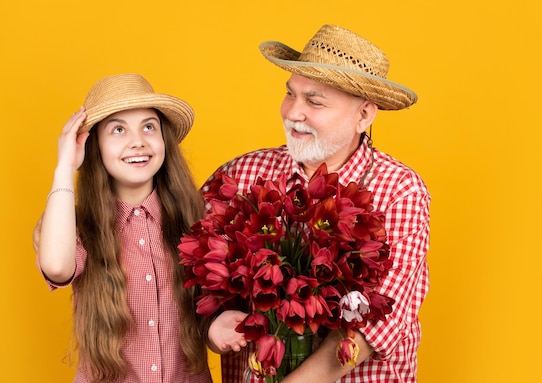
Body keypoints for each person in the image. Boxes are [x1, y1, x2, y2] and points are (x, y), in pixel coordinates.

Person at [207, 24, 431, 382]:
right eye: (290, 94)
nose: (293, 112)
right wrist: (210, 327)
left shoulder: (399, 190)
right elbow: (188, 279)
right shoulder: (242, 175)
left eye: (314, 101)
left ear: (364, 116)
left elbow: (371, 327)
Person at [35, 73, 214, 383]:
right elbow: (56, 267)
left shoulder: (196, 219)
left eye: (148, 127)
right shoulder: (71, 224)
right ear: (94, 147)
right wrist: (65, 167)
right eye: (118, 129)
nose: (137, 141)